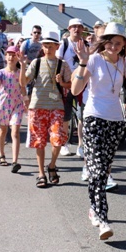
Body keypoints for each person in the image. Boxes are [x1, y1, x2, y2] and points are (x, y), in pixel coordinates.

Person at [72, 22, 126, 240]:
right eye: (110, 42)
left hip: (116, 121)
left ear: (124, 45)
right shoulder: (93, 60)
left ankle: (93, 208)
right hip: (94, 118)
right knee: (99, 170)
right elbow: (75, 89)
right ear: (104, 42)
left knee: (101, 170)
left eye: (118, 43)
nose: (113, 46)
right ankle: (103, 219)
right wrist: (83, 63)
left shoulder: (123, 62)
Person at [19, 31, 72, 188]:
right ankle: (41, 173)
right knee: (39, 141)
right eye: (45, 45)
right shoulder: (36, 63)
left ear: (57, 46)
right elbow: (23, 82)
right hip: (37, 106)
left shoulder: (63, 64)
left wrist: (62, 83)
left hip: (56, 106)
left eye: (50, 46)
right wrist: (22, 66)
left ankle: (52, 165)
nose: (47, 48)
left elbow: (71, 85)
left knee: (57, 139)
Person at [58, 18, 87, 157]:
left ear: (82, 29)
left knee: (82, 115)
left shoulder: (86, 44)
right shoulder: (64, 43)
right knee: (66, 115)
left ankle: (81, 146)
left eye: (79, 27)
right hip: (66, 84)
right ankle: (65, 144)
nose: (76, 29)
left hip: (82, 84)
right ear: (69, 29)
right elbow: (58, 62)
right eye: (73, 27)